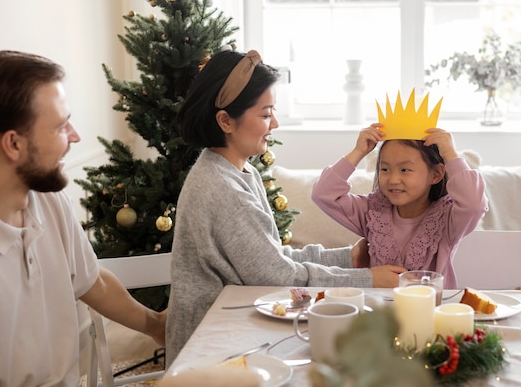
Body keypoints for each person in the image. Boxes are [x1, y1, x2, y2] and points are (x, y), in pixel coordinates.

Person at [166, 49, 405, 364]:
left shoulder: (237, 171)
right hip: (212, 351)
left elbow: (271, 258)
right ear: (225, 120)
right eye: (265, 114)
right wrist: (368, 280)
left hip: (235, 329)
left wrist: (349, 257)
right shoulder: (221, 188)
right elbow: (279, 277)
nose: (274, 123)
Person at [0, 50, 167, 387]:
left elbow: (93, 282)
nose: (75, 136)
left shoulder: (48, 199)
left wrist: (156, 324)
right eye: (60, 126)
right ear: (13, 143)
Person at [311, 123, 488, 289]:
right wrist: (358, 151)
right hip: (379, 316)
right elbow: (323, 193)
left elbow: (474, 204)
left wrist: (450, 153)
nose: (393, 180)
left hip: (431, 314)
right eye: (385, 169)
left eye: (405, 170)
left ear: (436, 174)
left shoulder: (448, 220)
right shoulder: (372, 212)